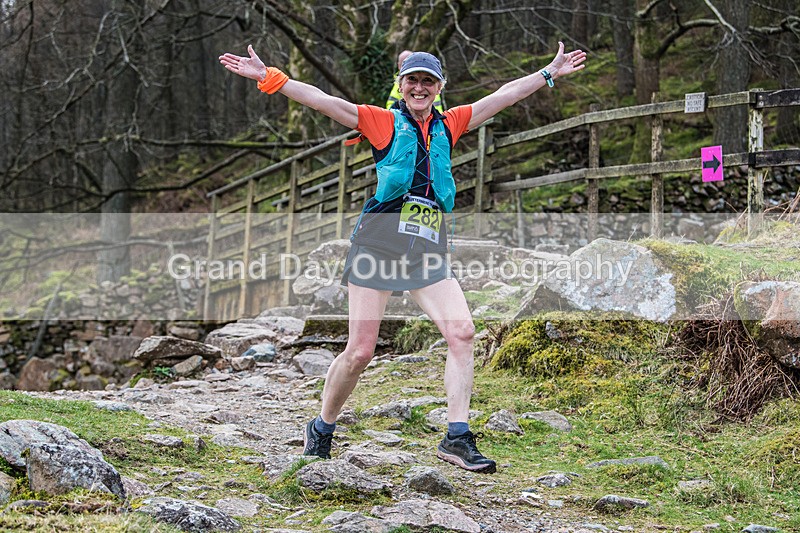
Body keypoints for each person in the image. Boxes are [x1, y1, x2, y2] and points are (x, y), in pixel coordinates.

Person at [219, 42, 586, 474]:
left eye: (427, 81)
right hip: (378, 244)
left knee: (463, 332)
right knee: (359, 352)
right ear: (401, 84)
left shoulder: (451, 125)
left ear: (438, 88)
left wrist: (548, 72)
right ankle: (321, 426)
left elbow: (502, 96)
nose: (419, 87)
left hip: (427, 247)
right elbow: (322, 100)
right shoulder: (382, 122)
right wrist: (271, 77)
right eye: (412, 79)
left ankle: (457, 436)